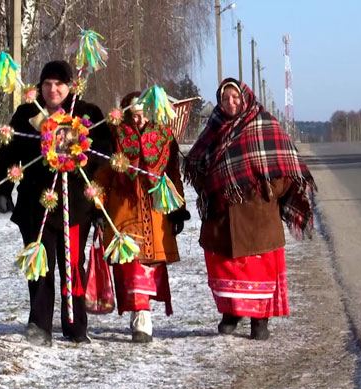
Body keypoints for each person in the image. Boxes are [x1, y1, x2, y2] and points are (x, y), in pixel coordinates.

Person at [184, 78, 315, 340]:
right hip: (222, 213)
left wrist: (267, 191)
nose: (230, 103)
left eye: (235, 97)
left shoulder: (265, 125)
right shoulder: (213, 129)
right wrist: (211, 188)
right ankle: (231, 313)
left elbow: (284, 167)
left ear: (245, 99)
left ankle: (259, 320)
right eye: (225, 98)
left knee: (259, 269)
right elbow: (196, 164)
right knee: (225, 267)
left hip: (258, 214)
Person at [0, 60, 112, 345]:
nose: (52, 89)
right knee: (40, 263)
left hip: (76, 206)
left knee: (72, 264)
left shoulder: (86, 113)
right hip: (36, 203)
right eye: (47, 84)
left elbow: (105, 152)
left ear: (69, 85)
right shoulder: (27, 114)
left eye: (59, 84)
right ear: (40, 86)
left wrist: (79, 155)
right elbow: (9, 153)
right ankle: (39, 324)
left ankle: (75, 326)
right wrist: (3, 188)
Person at [94, 91, 190, 343]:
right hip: (124, 211)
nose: (138, 121)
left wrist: (178, 207)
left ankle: (144, 313)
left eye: (142, 115)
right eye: (133, 116)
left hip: (156, 212)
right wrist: (98, 206)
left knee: (150, 266)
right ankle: (140, 319)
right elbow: (103, 173)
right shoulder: (114, 135)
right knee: (132, 265)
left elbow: (173, 174)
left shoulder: (164, 136)